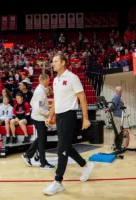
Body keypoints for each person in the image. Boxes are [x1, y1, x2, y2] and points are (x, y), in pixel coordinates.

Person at [43, 52, 93, 196]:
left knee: (61, 149)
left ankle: (58, 182)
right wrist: (50, 116)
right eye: (53, 61)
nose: (53, 63)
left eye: (56, 61)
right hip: (60, 117)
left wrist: (85, 118)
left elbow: (82, 99)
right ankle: (85, 165)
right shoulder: (55, 80)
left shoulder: (72, 78)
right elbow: (56, 101)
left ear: (64, 62)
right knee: (66, 147)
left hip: (69, 116)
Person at [22, 74, 55, 170]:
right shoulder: (41, 92)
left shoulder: (38, 89)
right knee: (42, 141)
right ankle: (43, 163)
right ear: (44, 80)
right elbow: (39, 107)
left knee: (41, 139)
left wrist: (45, 108)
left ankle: (28, 155)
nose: (49, 82)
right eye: (48, 80)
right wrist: (49, 113)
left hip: (37, 117)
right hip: (39, 118)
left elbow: (32, 102)